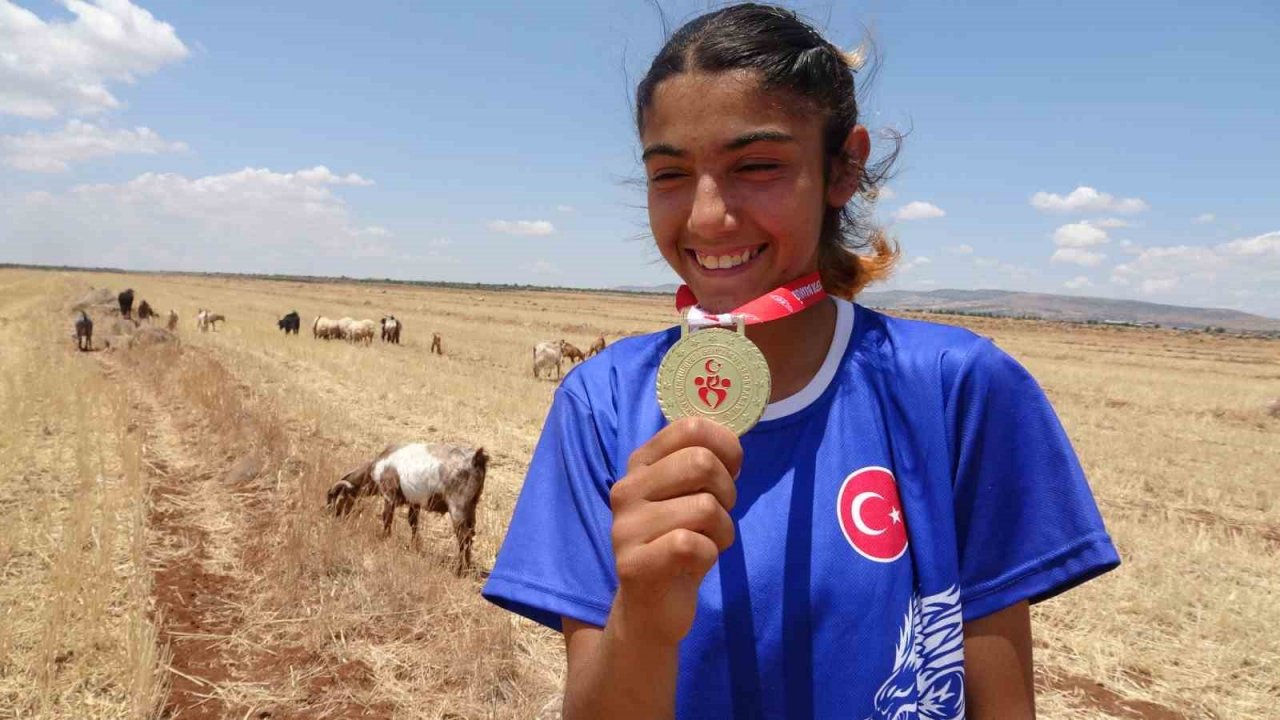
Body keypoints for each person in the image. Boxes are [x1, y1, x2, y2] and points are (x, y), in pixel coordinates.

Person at [482, 4, 1120, 718]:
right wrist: (644, 620)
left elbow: (1001, 702)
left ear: (844, 166)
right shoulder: (601, 405)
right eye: (669, 174)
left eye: (756, 165)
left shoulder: (954, 389)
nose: (706, 217)